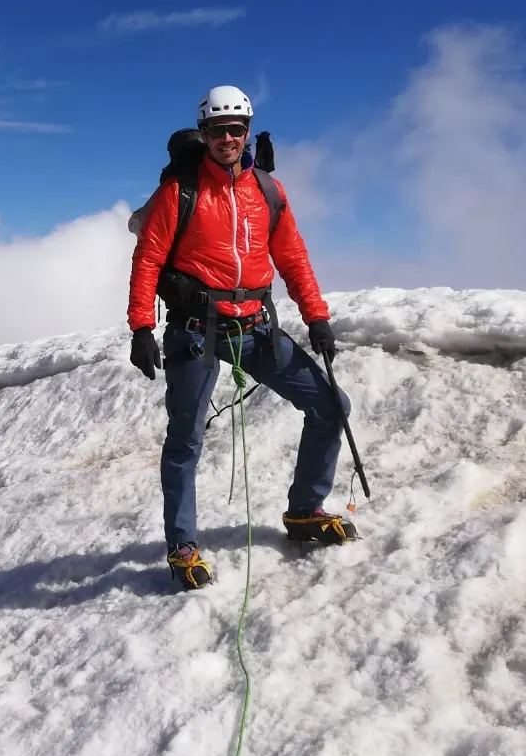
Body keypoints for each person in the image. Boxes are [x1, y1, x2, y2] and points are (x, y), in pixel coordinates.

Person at [127, 84, 356, 590]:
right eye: (217, 130)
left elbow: (292, 257)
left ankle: (304, 512)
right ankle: (182, 546)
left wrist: (316, 316)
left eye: (236, 129)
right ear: (204, 134)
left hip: (256, 328)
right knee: (185, 440)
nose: (227, 138)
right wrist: (141, 326)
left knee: (330, 405)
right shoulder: (180, 192)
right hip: (194, 334)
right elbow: (147, 259)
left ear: (247, 131)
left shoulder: (267, 192)